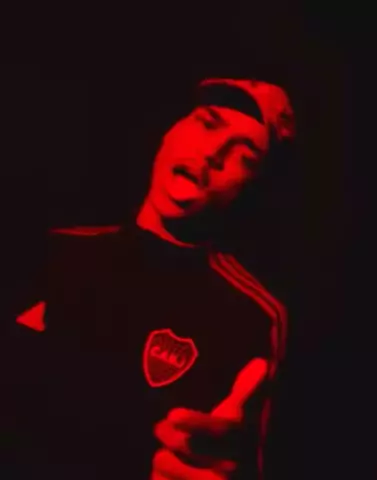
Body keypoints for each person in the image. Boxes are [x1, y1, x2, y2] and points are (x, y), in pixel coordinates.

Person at [4, 77, 296, 480]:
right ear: (169, 132)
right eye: (207, 123)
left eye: (243, 155)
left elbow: (243, 457)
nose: (212, 153)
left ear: (251, 191)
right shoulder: (54, 250)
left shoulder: (252, 316)